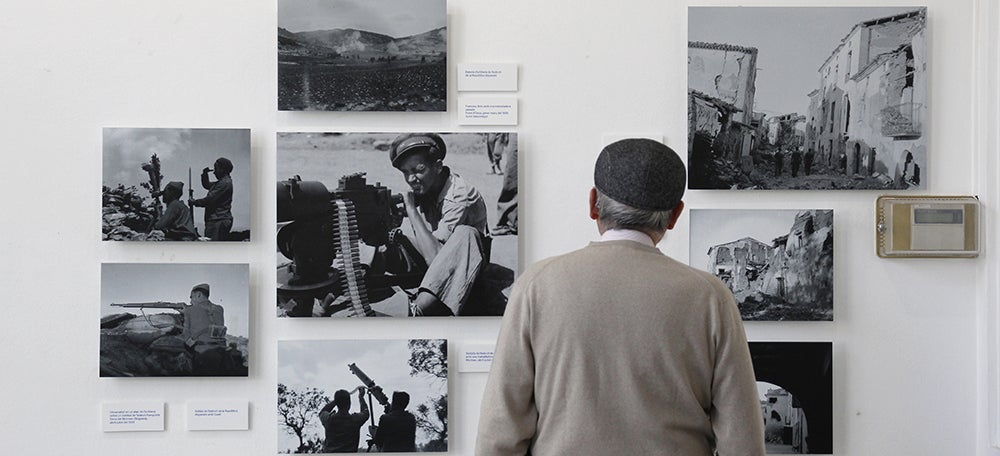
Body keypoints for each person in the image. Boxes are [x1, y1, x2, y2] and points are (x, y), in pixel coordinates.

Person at [476, 139, 765, 455]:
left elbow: (498, 435)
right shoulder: (711, 297)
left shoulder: (536, 285)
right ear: (674, 216)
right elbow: (742, 443)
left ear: (593, 204)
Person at [387, 133, 490, 316]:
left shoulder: (458, 196)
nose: (411, 179)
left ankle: (418, 309)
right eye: (405, 172)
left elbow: (436, 258)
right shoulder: (430, 186)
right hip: (437, 258)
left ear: (438, 166)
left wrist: (411, 210)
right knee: (391, 241)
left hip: (466, 269)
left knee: (466, 232)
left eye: (418, 170)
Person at [182, 283, 228, 375]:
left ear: (199, 294)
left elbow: (186, 336)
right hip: (221, 354)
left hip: (202, 355)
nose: (190, 301)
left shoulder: (189, 311)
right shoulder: (219, 309)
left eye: (191, 297)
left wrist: (185, 314)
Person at [190, 157, 234, 241]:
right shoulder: (221, 182)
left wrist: (194, 202)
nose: (214, 172)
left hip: (219, 220)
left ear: (222, 169)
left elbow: (209, 200)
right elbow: (207, 185)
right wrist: (205, 174)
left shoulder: (224, 183)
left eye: (216, 169)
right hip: (216, 220)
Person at [319, 388, 370, 453]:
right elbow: (365, 412)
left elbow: (323, 411)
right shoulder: (355, 420)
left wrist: (336, 400)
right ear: (349, 404)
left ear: (337, 403)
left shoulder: (328, 419)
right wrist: (361, 397)